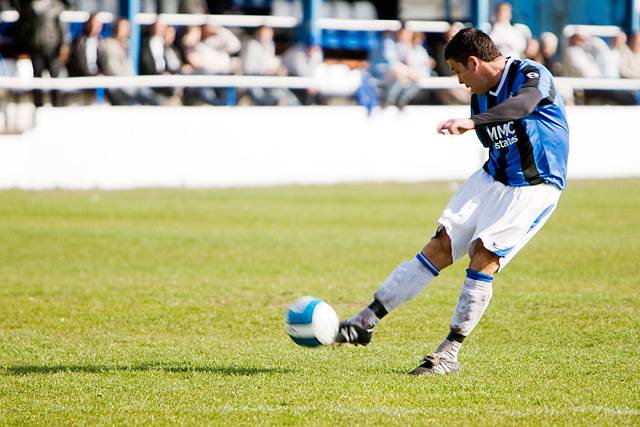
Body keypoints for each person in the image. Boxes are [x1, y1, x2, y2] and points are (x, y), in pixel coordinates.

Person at [334, 28, 569, 376]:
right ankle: (363, 322)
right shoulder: (480, 94)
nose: (460, 82)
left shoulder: (530, 74)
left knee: (484, 255)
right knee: (440, 246)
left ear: (474, 63)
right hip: (492, 177)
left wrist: (471, 122)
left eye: (459, 71)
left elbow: (523, 105)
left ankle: (447, 354)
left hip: (534, 186)